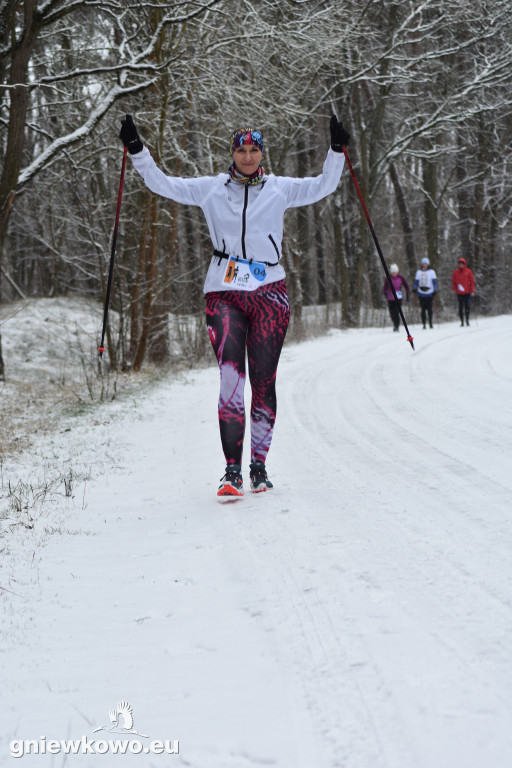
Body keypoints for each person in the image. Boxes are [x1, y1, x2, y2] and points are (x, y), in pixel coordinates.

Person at [119, 113, 349, 498]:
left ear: (262, 153)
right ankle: (231, 472)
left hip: (270, 292)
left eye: (253, 149)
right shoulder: (212, 189)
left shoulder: (279, 189)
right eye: (241, 149)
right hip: (223, 291)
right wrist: (137, 150)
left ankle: (258, 466)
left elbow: (324, 185)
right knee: (230, 378)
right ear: (232, 152)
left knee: (262, 382)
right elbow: (163, 185)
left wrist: (336, 150)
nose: (247, 156)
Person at [383, 263, 410, 331]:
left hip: (398, 298)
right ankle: (394, 323)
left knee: (397, 312)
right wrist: (385, 293)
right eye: (393, 272)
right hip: (390, 298)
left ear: (397, 272)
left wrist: (408, 295)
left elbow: (406, 286)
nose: (394, 273)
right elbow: (385, 288)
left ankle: (396, 326)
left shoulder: (401, 278)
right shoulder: (388, 278)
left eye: (395, 272)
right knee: (392, 313)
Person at [413, 257, 438, 329]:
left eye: (426, 264)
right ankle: (424, 323)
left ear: (428, 264)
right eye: (423, 264)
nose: (424, 265)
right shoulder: (418, 272)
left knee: (430, 309)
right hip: (421, 293)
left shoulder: (432, 272)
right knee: (423, 309)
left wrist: (435, 290)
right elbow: (416, 282)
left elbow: (435, 282)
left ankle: (430, 323)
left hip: (430, 293)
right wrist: (415, 288)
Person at [451, 257, 475, 326]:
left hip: (467, 292)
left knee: (467, 306)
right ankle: (462, 321)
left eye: (462, 264)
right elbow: (454, 282)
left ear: (464, 264)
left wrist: (472, 290)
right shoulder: (455, 272)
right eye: (460, 264)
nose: (461, 265)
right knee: (460, 307)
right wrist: (453, 288)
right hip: (459, 293)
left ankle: (467, 320)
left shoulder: (468, 272)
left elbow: (472, 281)